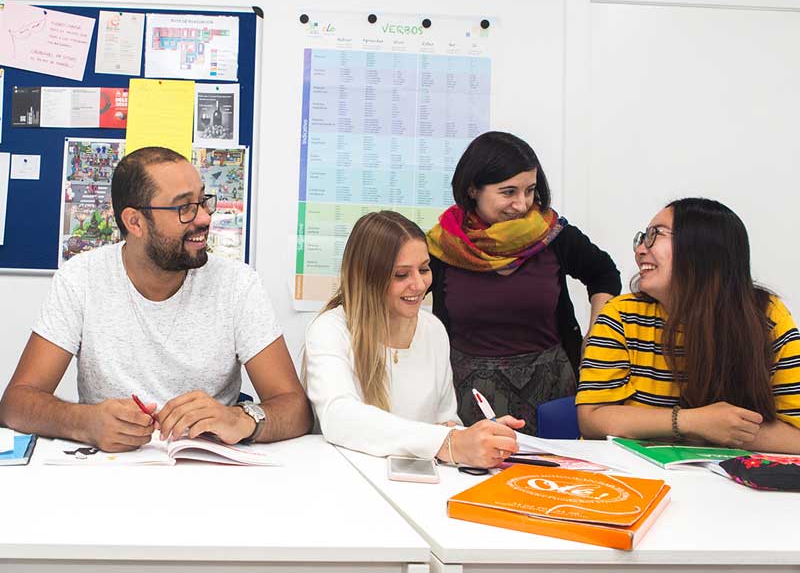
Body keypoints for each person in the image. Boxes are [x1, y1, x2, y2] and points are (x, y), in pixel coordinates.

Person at [0, 147, 312, 452]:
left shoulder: (237, 285)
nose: (203, 218)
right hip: (109, 474)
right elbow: (16, 405)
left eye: (203, 201)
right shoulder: (81, 278)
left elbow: (296, 410)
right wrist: (85, 422)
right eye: (184, 208)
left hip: (209, 473)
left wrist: (241, 419)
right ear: (134, 222)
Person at [426, 131, 621, 435]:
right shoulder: (444, 246)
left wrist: (595, 340)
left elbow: (604, 273)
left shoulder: (553, 235)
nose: (521, 204)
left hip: (552, 395)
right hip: (468, 396)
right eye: (508, 192)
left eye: (529, 190)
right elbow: (394, 289)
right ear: (473, 189)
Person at [577, 198, 800, 453]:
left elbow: (796, 436)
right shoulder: (621, 315)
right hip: (632, 476)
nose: (640, 250)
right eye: (642, 238)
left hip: (724, 485)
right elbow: (591, 419)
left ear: (703, 248)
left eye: (655, 235)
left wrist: (723, 430)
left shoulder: (765, 316)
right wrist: (693, 422)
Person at [304, 211, 524, 468]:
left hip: (417, 482)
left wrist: (478, 438)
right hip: (351, 478)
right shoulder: (330, 329)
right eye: (401, 275)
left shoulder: (433, 330)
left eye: (424, 269)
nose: (419, 285)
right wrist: (448, 441)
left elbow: (446, 422)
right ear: (367, 278)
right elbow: (339, 418)